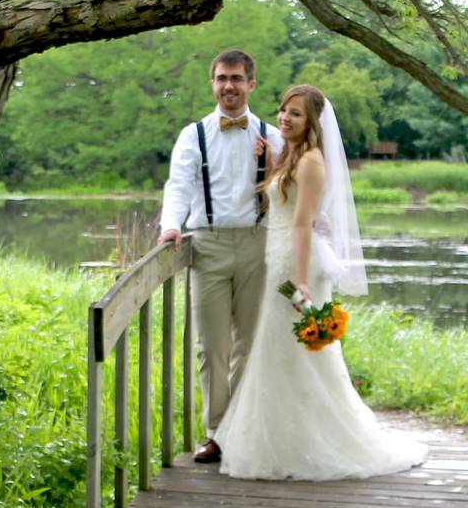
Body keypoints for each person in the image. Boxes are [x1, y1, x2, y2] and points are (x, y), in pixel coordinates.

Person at [214, 85, 427, 480]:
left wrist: (301, 282)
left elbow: (302, 223)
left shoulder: (312, 161)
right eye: (282, 110)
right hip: (277, 256)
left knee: (304, 353)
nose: (284, 118)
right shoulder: (289, 154)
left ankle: (316, 440)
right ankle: (282, 438)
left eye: (295, 114)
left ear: (311, 121)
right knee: (278, 352)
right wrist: (265, 161)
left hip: (296, 264)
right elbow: (275, 204)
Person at [158, 49, 283, 463]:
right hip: (207, 244)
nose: (228, 86)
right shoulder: (192, 135)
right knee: (210, 347)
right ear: (212, 83)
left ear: (251, 84)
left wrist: (270, 165)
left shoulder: (272, 133)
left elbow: (290, 188)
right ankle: (216, 433)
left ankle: (241, 430)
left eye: (236, 78)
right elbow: (179, 184)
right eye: (221, 78)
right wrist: (171, 225)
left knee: (249, 344)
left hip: (257, 245)